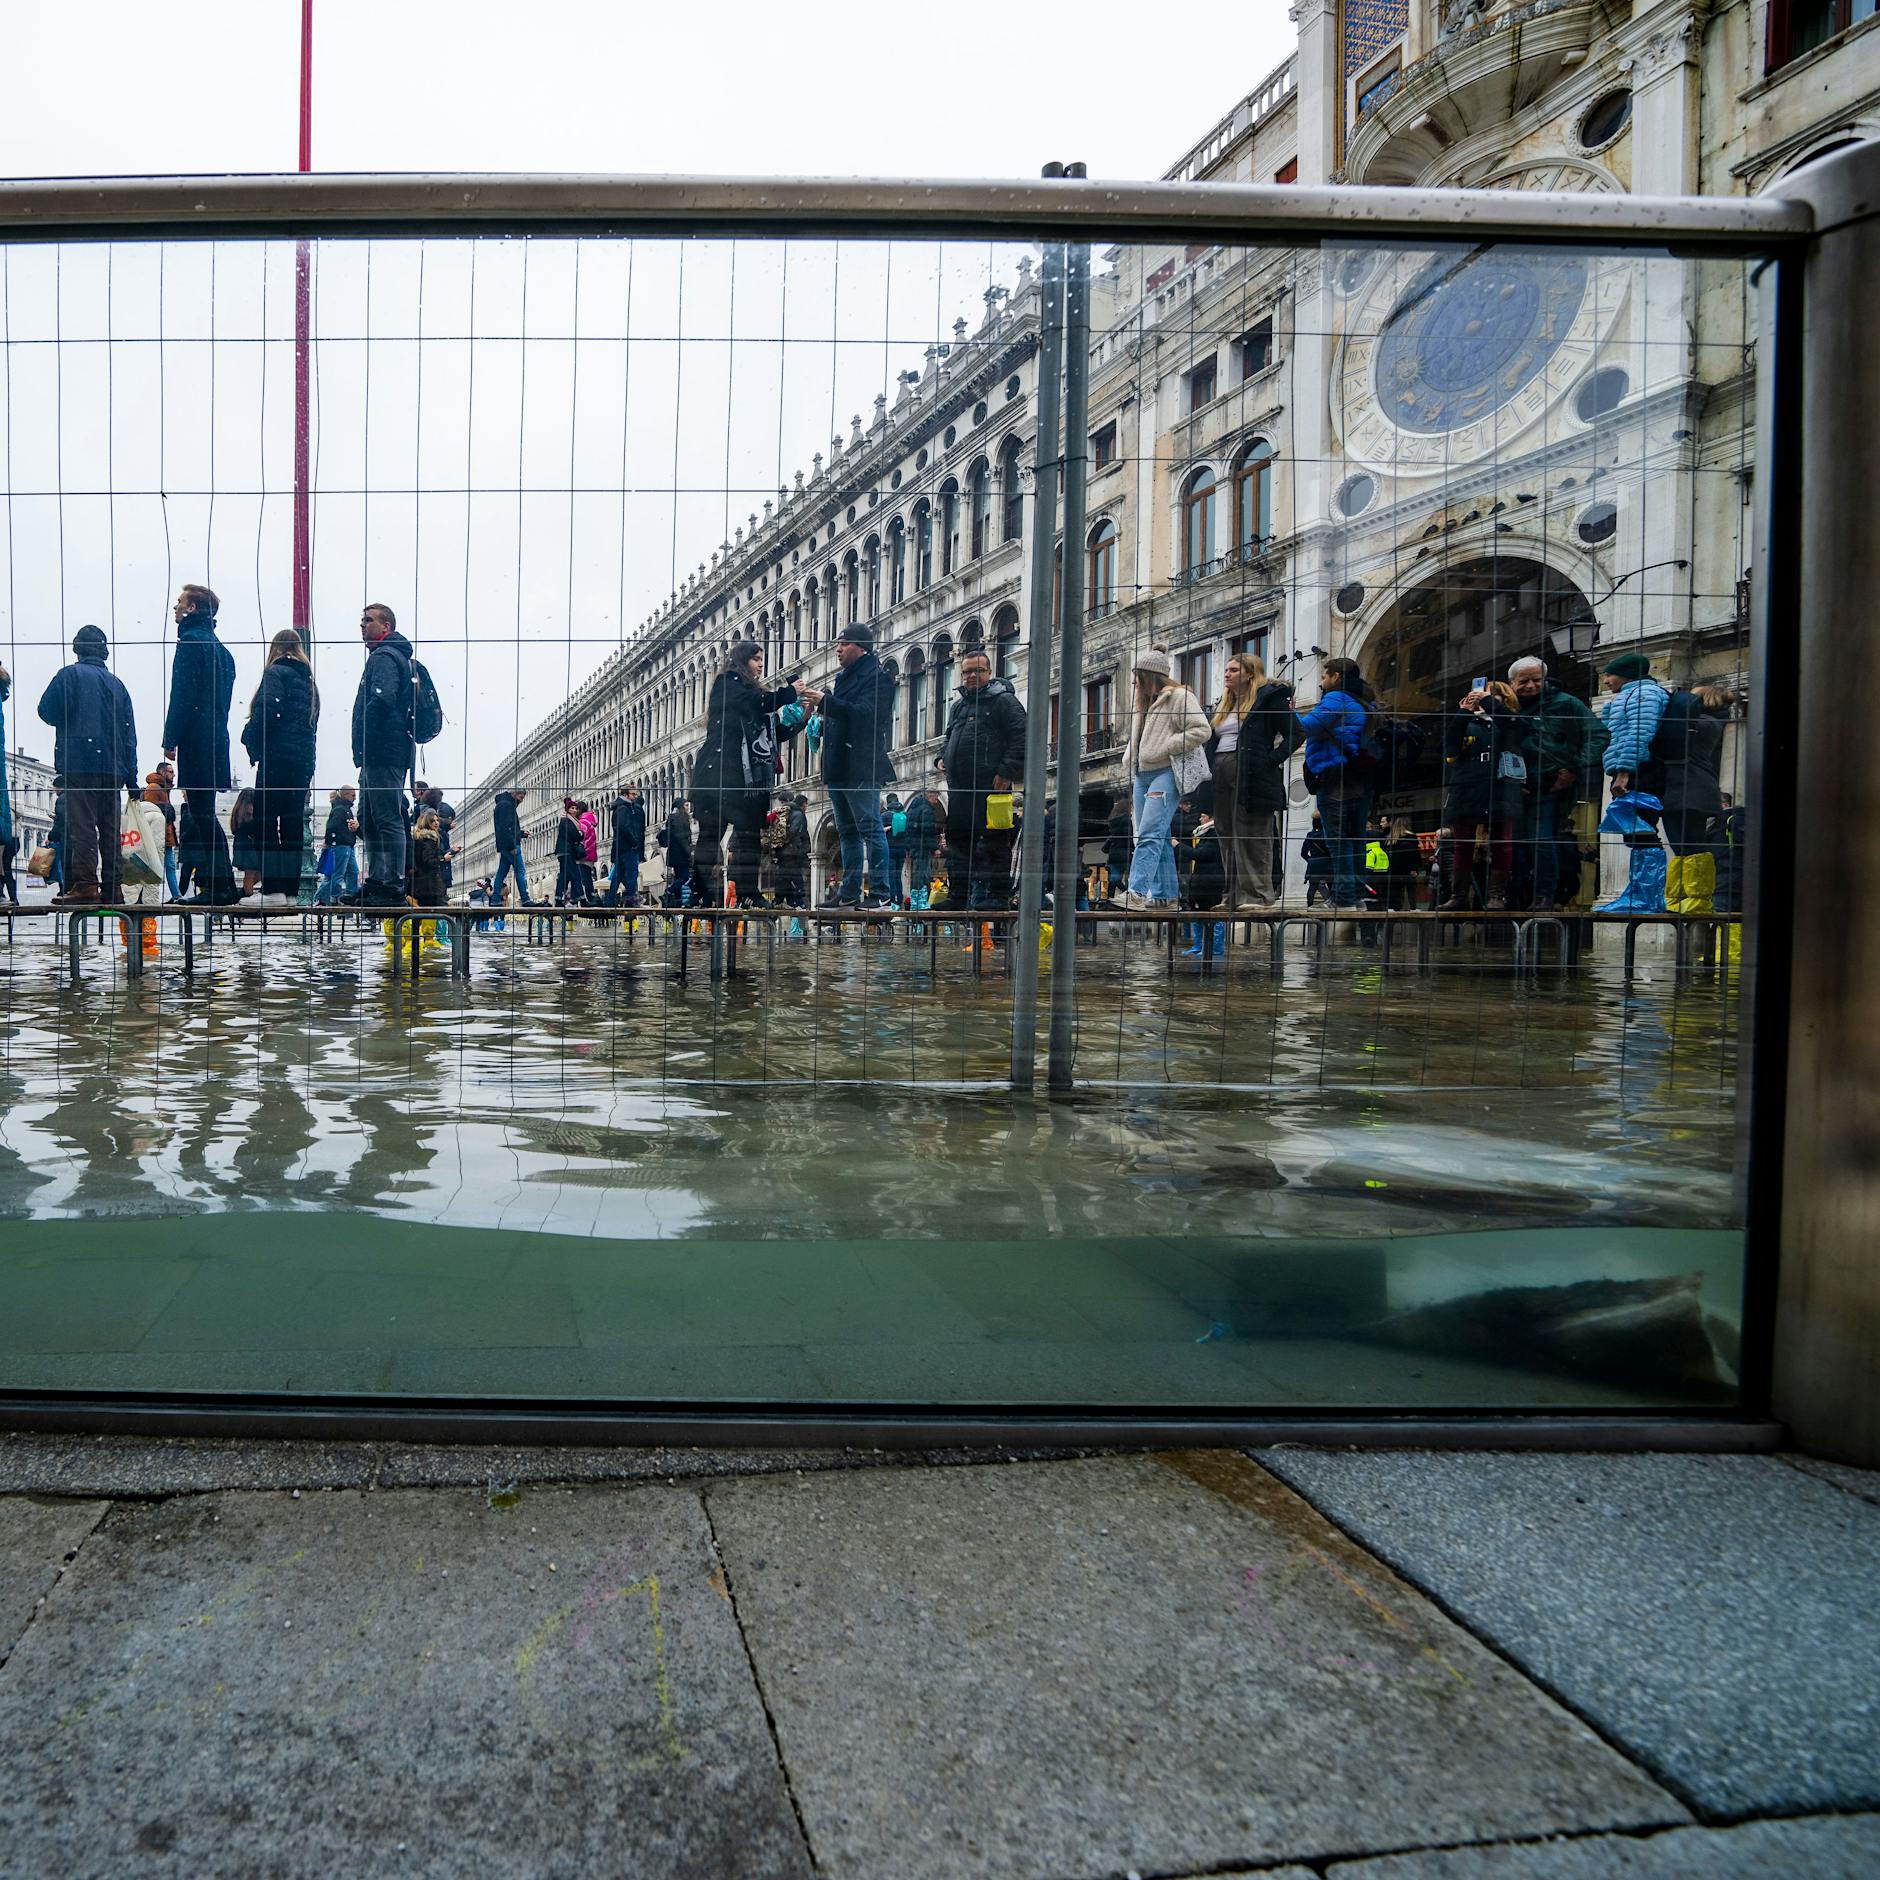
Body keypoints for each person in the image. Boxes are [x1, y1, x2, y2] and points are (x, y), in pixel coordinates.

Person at [690, 639, 816, 908]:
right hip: (721, 771)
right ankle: (702, 893)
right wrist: (789, 693)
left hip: (745, 778)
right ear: (741, 661)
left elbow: (774, 734)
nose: (761, 663)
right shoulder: (728, 684)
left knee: (748, 837)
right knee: (712, 835)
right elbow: (756, 703)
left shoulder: (753, 695)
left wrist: (803, 717)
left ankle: (747, 892)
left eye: (762, 659)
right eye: (756, 659)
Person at [35, 624, 138, 907]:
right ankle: (114, 888)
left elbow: (46, 711)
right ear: (103, 652)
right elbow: (130, 734)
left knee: (82, 828)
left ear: (77, 648)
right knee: (109, 829)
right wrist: (132, 777)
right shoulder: (118, 685)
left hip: (80, 761)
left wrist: (73, 713)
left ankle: (85, 886)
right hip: (114, 768)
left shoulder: (69, 676)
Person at [162, 584, 238, 904]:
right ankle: (222, 885)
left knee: (202, 814)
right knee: (205, 813)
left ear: (192, 609)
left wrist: (171, 738)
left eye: (180, 602)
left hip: (196, 738)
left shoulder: (190, 643)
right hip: (216, 737)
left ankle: (220, 887)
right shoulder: (222, 651)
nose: (175, 608)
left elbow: (182, 695)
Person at [1508, 655, 1604, 911]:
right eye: (1524, 681)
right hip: (1514, 787)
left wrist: (1573, 767)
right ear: (1512, 682)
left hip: (1551, 784)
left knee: (1541, 839)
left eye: (1536, 680)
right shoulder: (1506, 706)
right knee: (1515, 843)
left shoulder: (1566, 704)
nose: (1530, 686)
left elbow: (1598, 735)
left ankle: (1544, 895)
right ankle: (1516, 896)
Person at [1118, 647, 1210, 911]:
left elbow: (1202, 729)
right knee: (1155, 833)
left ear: (1150, 676)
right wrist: (1131, 757)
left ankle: (1136, 892)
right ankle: (1166, 896)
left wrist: (1168, 745)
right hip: (1142, 774)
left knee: (1149, 832)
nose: (1134, 682)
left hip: (1166, 772)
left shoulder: (1179, 696)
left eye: (1137, 675)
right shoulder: (1143, 702)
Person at [936, 647, 1027, 911]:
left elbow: (1021, 736)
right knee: (958, 840)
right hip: (960, 787)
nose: (971, 676)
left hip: (991, 786)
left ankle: (999, 897)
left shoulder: (1004, 701)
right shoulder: (958, 706)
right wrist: (941, 757)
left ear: (989, 672)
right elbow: (948, 737)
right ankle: (958, 896)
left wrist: (1006, 770)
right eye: (966, 671)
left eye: (978, 670)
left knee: (995, 840)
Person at [238, 626, 319, 908]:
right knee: (293, 822)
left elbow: (267, 713)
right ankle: (291, 892)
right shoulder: (310, 683)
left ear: (274, 648)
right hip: (301, 762)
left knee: (266, 821)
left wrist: (249, 737)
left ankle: (273, 888)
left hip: (277, 758)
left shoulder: (275, 673)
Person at [817, 623, 896, 908]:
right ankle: (849, 892)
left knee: (870, 829)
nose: (838, 649)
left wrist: (826, 703)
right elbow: (843, 717)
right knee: (847, 831)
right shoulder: (844, 678)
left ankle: (881, 892)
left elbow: (866, 716)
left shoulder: (878, 678)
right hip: (839, 764)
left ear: (861, 646)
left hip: (861, 764)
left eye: (844, 643)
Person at [1211, 651, 1297, 910]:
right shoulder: (1225, 704)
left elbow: (1296, 733)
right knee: (1226, 835)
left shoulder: (1268, 699)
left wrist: (1269, 761)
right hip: (1221, 769)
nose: (1227, 674)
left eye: (1234, 670)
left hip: (1250, 771)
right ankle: (1232, 896)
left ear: (1250, 674)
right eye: (1227, 669)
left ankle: (1258, 896)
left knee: (1253, 835)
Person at [1438, 680, 1529, 911]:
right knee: (1463, 843)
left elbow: (1513, 726)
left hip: (1501, 788)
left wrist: (1487, 701)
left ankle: (1496, 896)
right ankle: (1459, 895)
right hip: (1467, 788)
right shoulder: (1468, 722)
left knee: (1502, 843)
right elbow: (1449, 746)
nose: (1482, 701)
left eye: (1491, 697)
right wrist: (1464, 712)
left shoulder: (1509, 723)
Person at [1294, 656, 1374, 911]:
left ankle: (1343, 898)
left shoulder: (1336, 699)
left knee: (1338, 840)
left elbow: (1306, 727)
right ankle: (1357, 896)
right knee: (1355, 838)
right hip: (1360, 778)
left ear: (1336, 677)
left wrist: (1289, 711)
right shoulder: (1364, 701)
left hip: (1336, 778)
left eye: (1324, 676)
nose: (1321, 682)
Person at [350, 602, 416, 907]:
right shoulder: (388, 656)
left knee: (387, 817)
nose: (362, 625)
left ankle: (391, 885)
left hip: (383, 751)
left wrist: (367, 735)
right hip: (382, 751)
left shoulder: (385, 656)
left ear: (385, 626)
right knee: (370, 817)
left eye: (369, 620)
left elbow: (383, 699)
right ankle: (377, 881)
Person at [1596, 651, 1672, 913]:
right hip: (1631, 768)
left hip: (1641, 770)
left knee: (1642, 831)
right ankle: (1639, 894)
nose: (1606, 680)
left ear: (1626, 673)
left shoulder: (1644, 694)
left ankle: (1646, 898)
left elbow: (1640, 732)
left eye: (1609, 674)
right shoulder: (1628, 695)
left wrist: (1625, 771)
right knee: (1634, 833)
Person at [1655, 683, 1734, 914]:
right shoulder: (1706, 722)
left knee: (1692, 846)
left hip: (1693, 791)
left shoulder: (1706, 724)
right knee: (1680, 846)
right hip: (1683, 790)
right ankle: (1680, 896)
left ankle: (1697, 898)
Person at [604, 784, 648, 906]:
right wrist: (635, 842)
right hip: (628, 847)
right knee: (631, 874)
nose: (635, 797)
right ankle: (630, 900)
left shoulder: (621, 807)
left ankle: (610, 901)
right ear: (625, 795)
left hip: (621, 846)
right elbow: (624, 827)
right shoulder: (624, 808)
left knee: (617, 876)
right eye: (633, 794)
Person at [491, 786, 533, 906]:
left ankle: (494, 900)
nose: (522, 800)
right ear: (515, 793)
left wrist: (521, 833)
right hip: (510, 846)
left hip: (505, 845)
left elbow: (509, 828)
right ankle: (525, 899)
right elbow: (505, 829)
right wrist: (511, 846)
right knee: (520, 870)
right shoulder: (506, 805)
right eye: (521, 797)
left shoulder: (503, 804)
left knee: (501, 873)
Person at [902, 786, 940, 910]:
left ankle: (916, 900)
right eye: (936, 797)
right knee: (923, 873)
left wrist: (908, 847)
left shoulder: (913, 809)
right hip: (922, 846)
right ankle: (921, 901)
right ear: (931, 796)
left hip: (914, 846)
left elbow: (908, 830)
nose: (937, 800)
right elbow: (927, 830)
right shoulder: (926, 810)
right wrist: (935, 847)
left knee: (918, 872)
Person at [777, 793, 812, 908]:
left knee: (785, 876)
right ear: (803, 804)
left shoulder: (787, 812)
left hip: (783, 851)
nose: (806, 807)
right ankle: (798, 902)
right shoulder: (799, 815)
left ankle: (781, 901)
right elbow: (795, 831)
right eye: (806, 804)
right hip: (792, 851)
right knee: (795, 876)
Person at [659, 798, 695, 906]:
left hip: (676, 853)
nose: (688, 808)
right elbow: (681, 838)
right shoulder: (679, 819)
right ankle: (668, 892)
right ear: (681, 807)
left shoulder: (674, 818)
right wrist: (689, 853)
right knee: (684, 877)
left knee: (679, 877)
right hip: (680, 854)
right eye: (686, 805)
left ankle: (677, 901)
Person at [1715, 792, 1747, 916]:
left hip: (1722, 886)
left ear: (1724, 804)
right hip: (1747, 885)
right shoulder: (1749, 821)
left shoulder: (1719, 824)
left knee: (1719, 924)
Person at [409, 807, 448, 906]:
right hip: (428, 886)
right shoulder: (429, 840)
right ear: (427, 823)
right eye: (432, 821)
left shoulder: (421, 838)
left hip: (422, 884)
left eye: (437, 820)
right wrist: (443, 859)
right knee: (435, 912)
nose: (436, 823)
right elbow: (428, 861)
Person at [1385, 817, 1424, 910]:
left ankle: (1393, 908)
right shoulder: (1411, 837)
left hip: (1394, 869)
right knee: (1411, 890)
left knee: (1394, 890)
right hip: (1408, 869)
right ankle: (1413, 908)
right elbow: (1414, 854)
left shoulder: (1391, 838)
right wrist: (1415, 868)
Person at [553, 798, 585, 903]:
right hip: (566, 851)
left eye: (576, 808)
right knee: (575, 874)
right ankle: (582, 899)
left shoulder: (570, 820)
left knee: (564, 876)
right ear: (567, 809)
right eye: (572, 808)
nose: (575, 810)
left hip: (564, 851)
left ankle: (558, 899)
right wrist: (581, 834)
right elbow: (573, 835)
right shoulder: (566, 820)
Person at [1102, 798, 1133, 905]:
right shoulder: (1126, 820)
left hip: (1114, 852)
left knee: (1115, 877)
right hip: (1124, 852)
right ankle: (1129, 895)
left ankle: (1109, 899)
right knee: (1123, 877)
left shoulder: (1113, 821)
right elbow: (1128, 836)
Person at [1301, 814, 1333, 906]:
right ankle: (1332, 906)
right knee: (1332, 887)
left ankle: (1309, 907)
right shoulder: (1327, 835)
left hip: (1314, 865)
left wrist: (1311, 860)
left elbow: (1303, 853)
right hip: (1328, 864)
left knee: (1312, 888)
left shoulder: (1310, 835)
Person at [577, 799, 599, 901]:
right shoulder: (588, 821)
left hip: (584, 855)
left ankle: (590, 899)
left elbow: (580, 837)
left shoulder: (582, 822)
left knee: (585, 878)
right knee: (586, 878)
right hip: (589, 854)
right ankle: (590, 898)